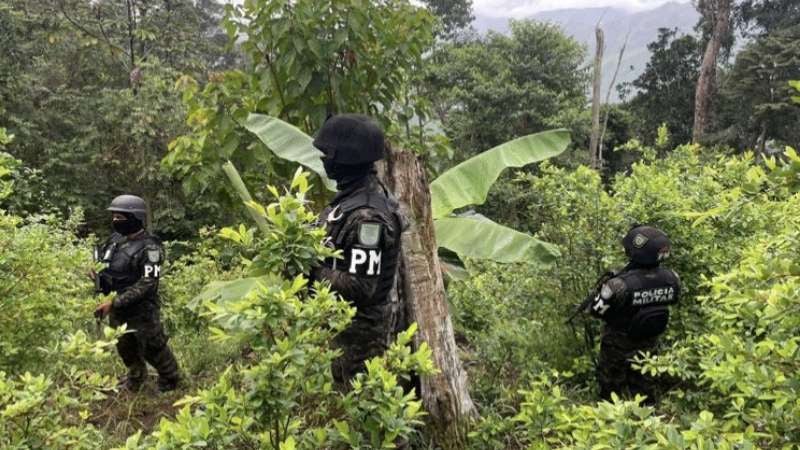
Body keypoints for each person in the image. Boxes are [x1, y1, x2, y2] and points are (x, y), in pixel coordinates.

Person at [309, 114, 405, 384]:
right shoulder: (352, 198)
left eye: (328, 154)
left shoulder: (368, 217)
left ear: (346, 158)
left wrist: (311, 269)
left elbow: (362, 286)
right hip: (342, 331)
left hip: (361, 341)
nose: (323, 159)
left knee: (357, 399)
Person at [93, 195, 180, 392]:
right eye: (114, 216)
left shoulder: (151, 247)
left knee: (153, 347)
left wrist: (114, 303)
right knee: (125, 347)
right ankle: (136, 378)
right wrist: (97, 273)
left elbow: (148, 282)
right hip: (116, 305)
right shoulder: (115, 240)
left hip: (142, 309)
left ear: (135, 218)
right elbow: (106, 265)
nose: (115, 220)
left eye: (120, 217)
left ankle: (170, 380)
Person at [587, 225, 681, 403]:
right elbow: (673, 300)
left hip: (617, 345)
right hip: (650, 345)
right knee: (646, 389)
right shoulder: (672, 278)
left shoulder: (619, 285)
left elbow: (596, 311)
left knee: (610, 390)